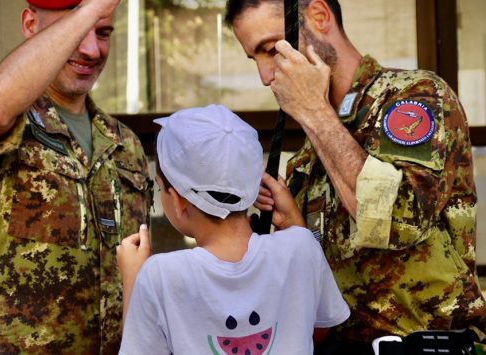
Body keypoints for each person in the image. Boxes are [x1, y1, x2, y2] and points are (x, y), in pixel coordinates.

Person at [224, 0, 486, 353]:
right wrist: (296, 229)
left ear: (319, 16)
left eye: (271, 49)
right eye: (254, 58)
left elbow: (400, 220)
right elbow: (320, 288)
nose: (265, 75)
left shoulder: (413, 97)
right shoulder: (308, 153)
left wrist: (314, 111)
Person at [0, 0, 152, 353]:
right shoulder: (12, 118)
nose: (91, 50)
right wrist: (91, 10)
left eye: (103, 33)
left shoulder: (126, 144)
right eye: (74, 28)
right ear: (30, 24)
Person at [116, 104, 350, 354]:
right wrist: (294, 223)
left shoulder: (159, 275)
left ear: (177, 199)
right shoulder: (301, 247)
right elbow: (317, 328)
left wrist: (133, 280)